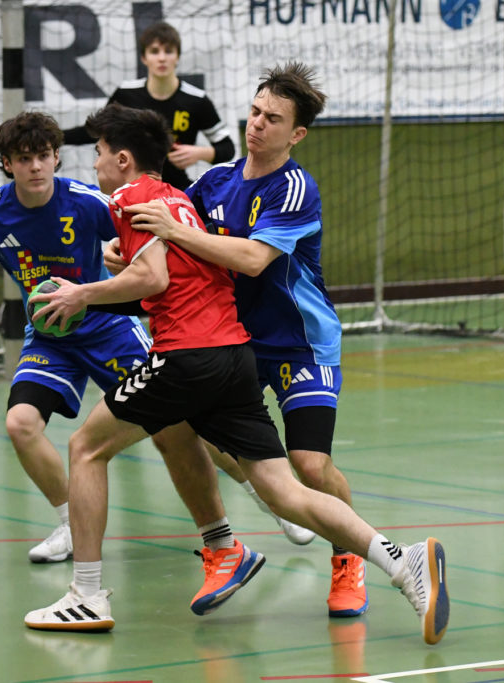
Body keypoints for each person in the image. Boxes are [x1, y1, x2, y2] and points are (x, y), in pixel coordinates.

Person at [24, 103, 450, 646]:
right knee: (279, 488)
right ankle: (401, 560)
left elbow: (154, 279)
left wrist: (82, 293)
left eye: (100, 153)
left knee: (86, 447)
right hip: (234, 354)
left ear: (123, 159)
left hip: (189, 355)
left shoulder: (131, 198)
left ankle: (86, 595)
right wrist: (125, 269)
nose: (96, 164)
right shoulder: (180, 196)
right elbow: (176, 271)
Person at [0, 111, 239, 572]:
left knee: (178, 423)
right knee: (20, 424)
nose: (35, 167)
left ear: (56, 158)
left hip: (108, 327)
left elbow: (143, 244)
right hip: (50, 337)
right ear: (7, 164)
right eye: (24, 158)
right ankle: (71, 523)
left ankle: (264, 492)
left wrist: (123, 259)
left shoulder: (88, 202)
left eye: (43, 156)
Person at [119, 62, 374, 620]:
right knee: (186, 432)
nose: (257, 124)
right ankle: (244, 526)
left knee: (310, 463)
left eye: (272, 119)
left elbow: (254, 259)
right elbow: (178, 242)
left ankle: (348, 557)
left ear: (296, 133)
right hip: (234, 340)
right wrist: (134, 253)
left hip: (300, 343)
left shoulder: (295, 188)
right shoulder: (214, 181)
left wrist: (174, 232)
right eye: (255, 112)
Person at [61, 20, 234, 191]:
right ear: (144, 58)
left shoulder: (196, 100)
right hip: (132, 189)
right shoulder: (126, 94)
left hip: (176, 190)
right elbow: (96, 132)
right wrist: (57, 137)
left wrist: (201, 153)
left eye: (168, 51)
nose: (162, 58)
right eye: (154, 51)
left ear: (177, 57)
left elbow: (227, 148)